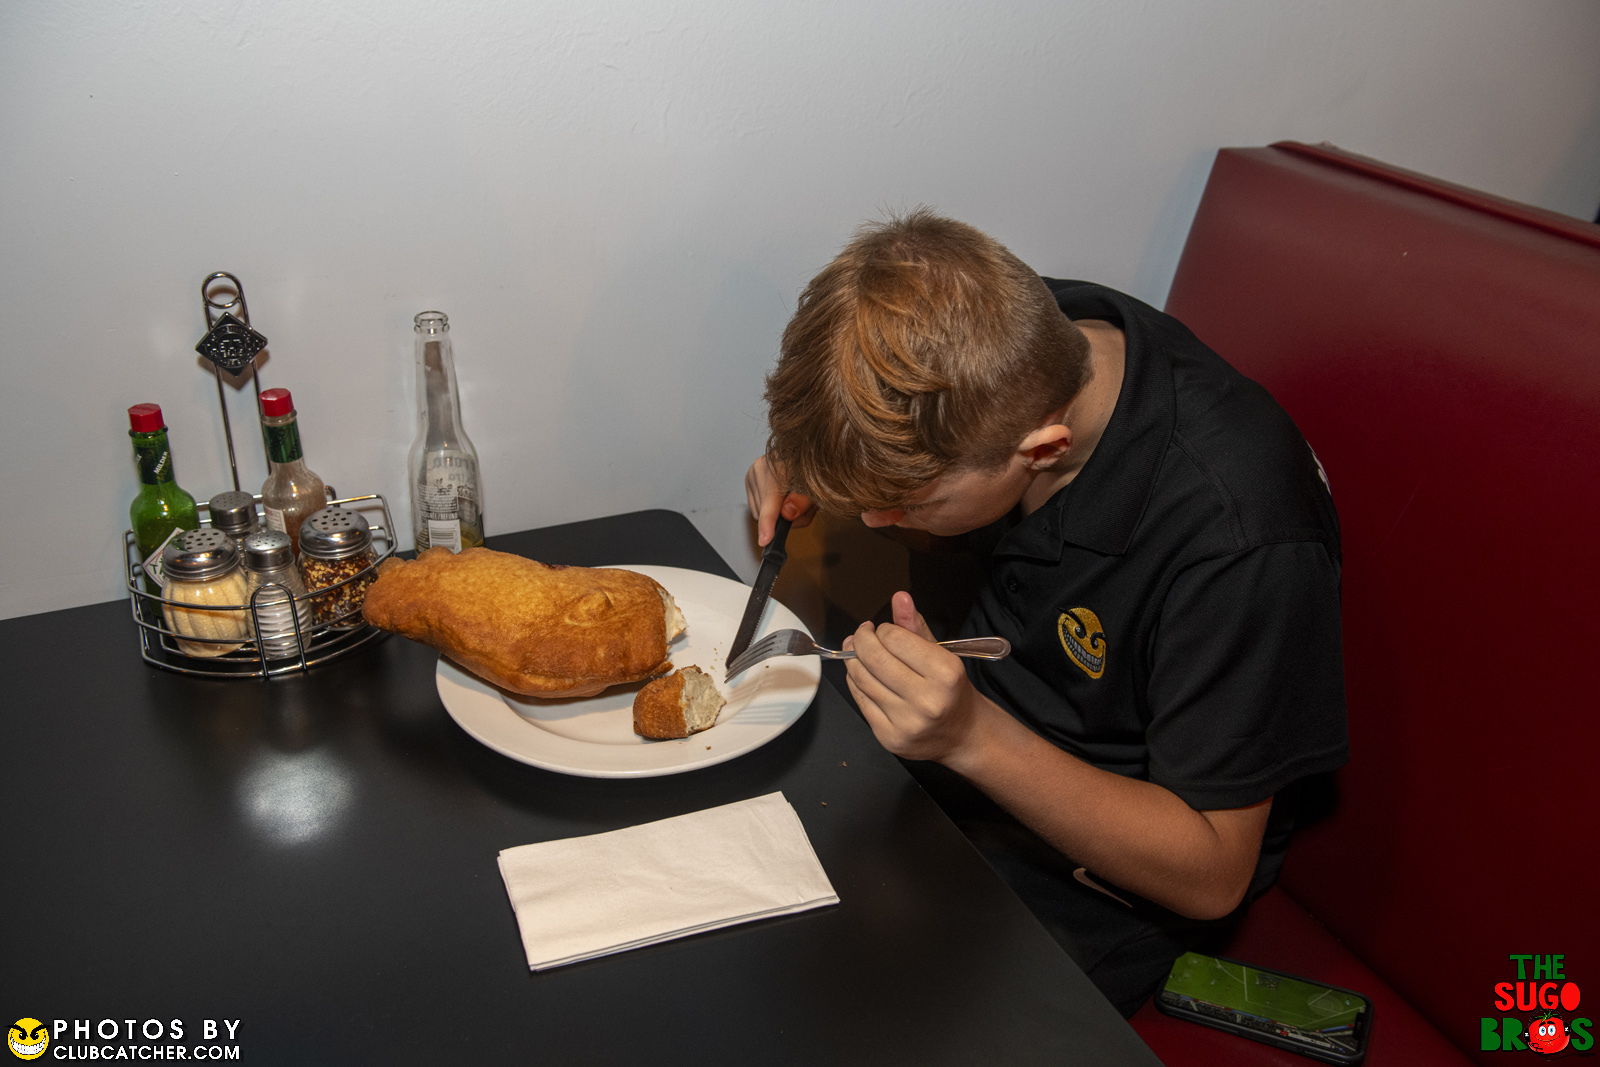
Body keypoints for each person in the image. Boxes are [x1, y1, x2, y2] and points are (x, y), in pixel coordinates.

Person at [745, 209, 1349, 1016]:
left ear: (1042, 450)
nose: (876, 520)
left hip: (1097, 859)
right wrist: (823, 455)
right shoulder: (1015, 333)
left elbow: (1211, 874)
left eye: (906, 501)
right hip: (957, 743)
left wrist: (970, 736)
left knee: (849, 1014)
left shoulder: (1242, 537)